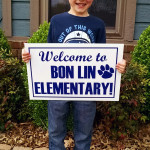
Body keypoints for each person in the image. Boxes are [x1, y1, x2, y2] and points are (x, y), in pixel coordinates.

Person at [22, 0, 126, 149]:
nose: (81, 0)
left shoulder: (98, 24)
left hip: (86, 90)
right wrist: (29, 55)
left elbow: (104, 57)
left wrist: (118, 65)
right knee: (55, 132)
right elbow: (47, 54)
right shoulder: (56, 20)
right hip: (58, 88)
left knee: (84, 133)